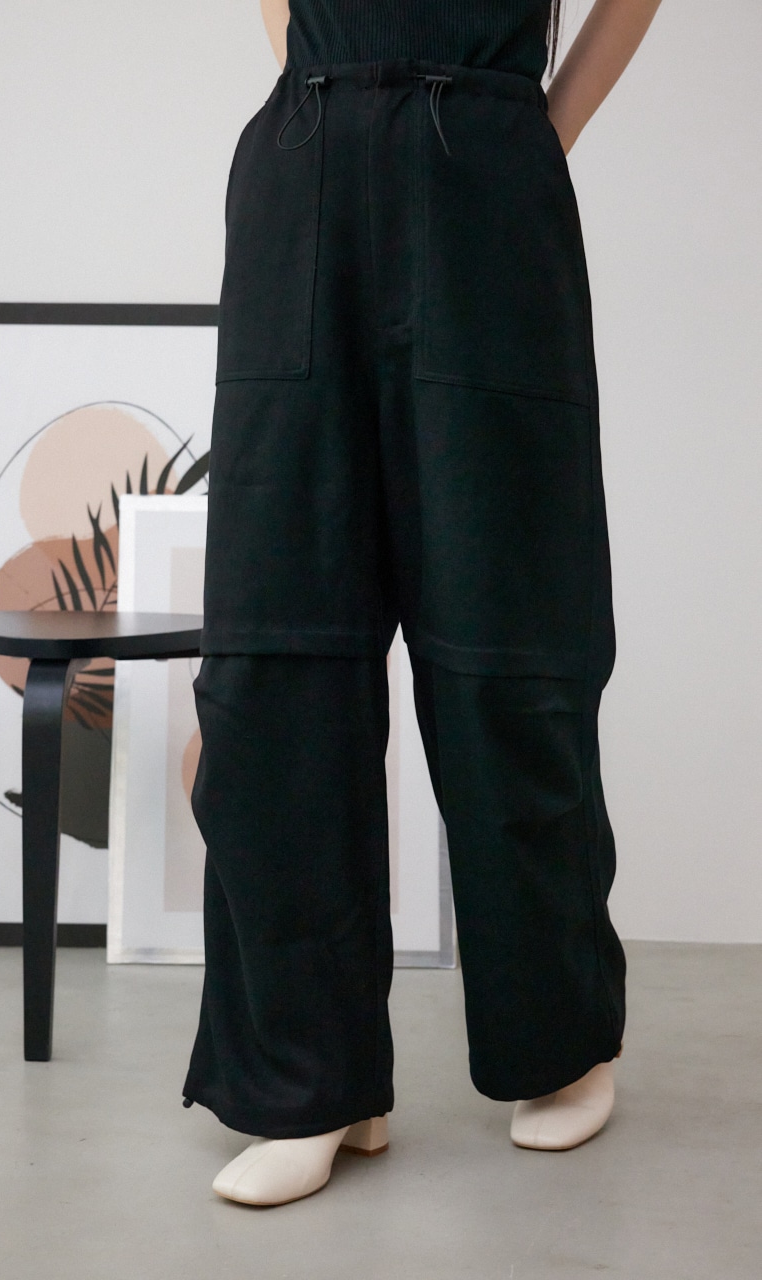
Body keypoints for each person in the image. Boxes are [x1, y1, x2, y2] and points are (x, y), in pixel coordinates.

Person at [182, 0, 663, 1207]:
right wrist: (325, 81)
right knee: (279, 645)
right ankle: (311, 1079)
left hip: (488, 173)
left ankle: (561, 1040)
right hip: (302, 167)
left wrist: (539, 127)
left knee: (510, 636)